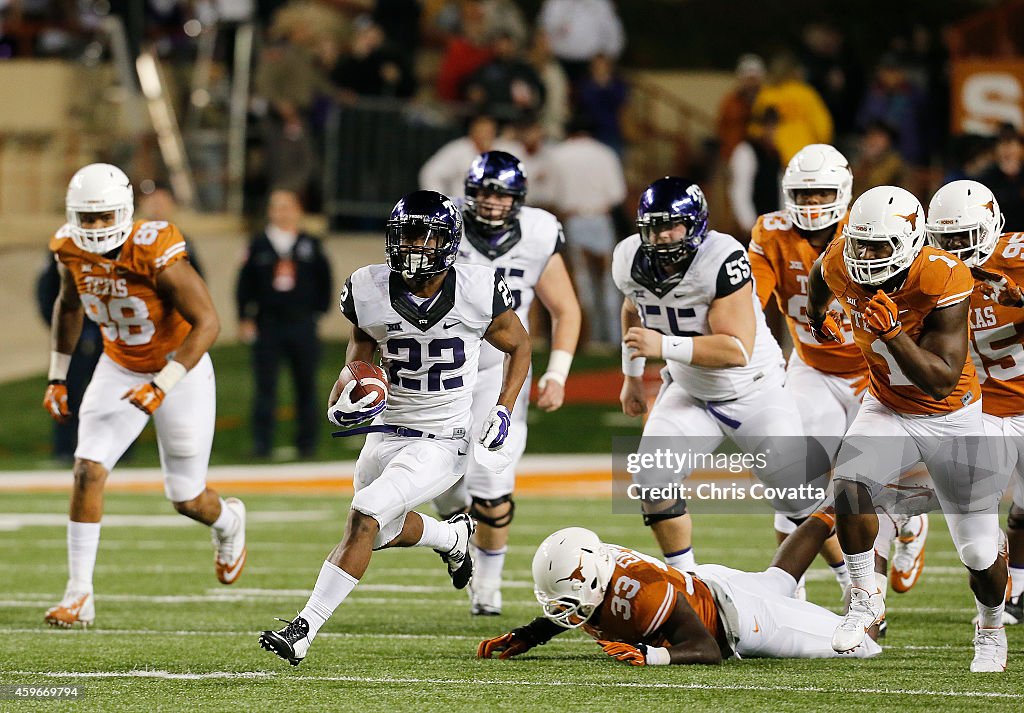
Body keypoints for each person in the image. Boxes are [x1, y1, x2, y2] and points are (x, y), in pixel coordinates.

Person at [258, 190, 532, 666]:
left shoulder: (477, 288)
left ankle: (303, 629)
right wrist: (347, 397)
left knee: (365, 515)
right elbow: (360, 352)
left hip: (443, 439)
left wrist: (504, 408)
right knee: (377, 531)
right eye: (407, 235)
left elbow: (520, 347)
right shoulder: (367, 288)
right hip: (385, 432)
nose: (415, 247)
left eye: (427, 238)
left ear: (447, 243)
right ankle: (450, 537)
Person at [806, 185, 1009, 672]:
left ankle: (990, 628)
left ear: (914, 240)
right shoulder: (841, 258)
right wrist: (817, 315)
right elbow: (821, 273)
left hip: (952, 418)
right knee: (849, 486)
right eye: (861, 244)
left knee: (979, 551)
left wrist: (893, 332)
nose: (867, 256)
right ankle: (864, 597)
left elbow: (940, 380)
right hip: (887, 405)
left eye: (880, 246)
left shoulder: (942, 275)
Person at [41, 163, 246, 628]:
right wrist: (58, 376)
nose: (92, 227)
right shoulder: (68, 248)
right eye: (85, 217)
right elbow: (69, 305)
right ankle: (79, 594)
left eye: (102, 216)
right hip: (119, 366)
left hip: (181, 369)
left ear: (124, 211)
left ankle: (228, 522)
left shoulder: (154, 249)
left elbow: (209, 322)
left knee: (187, 497)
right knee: (87, 470)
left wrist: (163, 385)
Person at [749, 144, 928, 599]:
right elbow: (748, 302)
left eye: (821, 193)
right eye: (802, 195)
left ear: (844, 191)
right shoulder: (771, 232)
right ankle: (790, 595)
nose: (811, 204)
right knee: (795, 475)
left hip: (876, 370)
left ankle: (909, 524)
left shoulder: (868, 227)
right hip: (814, 370)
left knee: (877, 481)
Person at [613, 178, 819, 575]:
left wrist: (663, 347)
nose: (663, 235)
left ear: (695, 225)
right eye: (654, 226)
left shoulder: (721, 257)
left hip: (754, 391)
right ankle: (688, 583)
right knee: (652, 477)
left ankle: (853, 586)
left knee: (799, 500)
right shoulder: (629, 258)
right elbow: (631, 308)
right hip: (690, 390)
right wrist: (632, 376)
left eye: (673, 225)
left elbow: (735, 349)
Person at [432, 152, 581, 615]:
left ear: (518, 199)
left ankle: (487, 587)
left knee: (489, 478)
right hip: (442, 368)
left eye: (502, 194)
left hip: (501, 368)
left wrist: (556, 373)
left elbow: (566, 310)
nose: (493, 202)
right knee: (445, 488)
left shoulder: (538, 232)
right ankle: (457, 537)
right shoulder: (444, 225)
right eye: (485, 192)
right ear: (469, 193)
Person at [478, 514, 882, 665]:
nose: (566, 611)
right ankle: (835, 508)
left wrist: (649, 654)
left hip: (741, 620)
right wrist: (531, 634)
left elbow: (706, 648)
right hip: (708, 585)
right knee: (777, 579)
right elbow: (580, 603)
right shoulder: (595, 571)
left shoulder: (642, 593)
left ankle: (873, 575)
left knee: (857, 643)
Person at [925, 179, 1023, 626]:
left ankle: (1017, 585)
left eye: (965, 238)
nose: (957, 249)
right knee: (976, 534)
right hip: (977, 411)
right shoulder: (928, 272)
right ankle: (994, 605)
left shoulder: (1019, 256)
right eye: (946, 240)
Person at [236, 190, 333, 459]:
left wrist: (317, 313)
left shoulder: (310, 244)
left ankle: (307, 443)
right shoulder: (258, 244)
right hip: (268, 324)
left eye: (287, 207)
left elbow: (325, 280)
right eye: (277, 207)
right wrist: (244, 317)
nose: (283, 212)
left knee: (306, 385)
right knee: (265, 386)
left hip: (302, 324)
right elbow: (244, 284)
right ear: (270, 211)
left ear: (298, 211)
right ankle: (262, 443)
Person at [548, 116, 627, 345]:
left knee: (582, 282)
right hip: (601, 218)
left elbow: (552, 195)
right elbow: (617, 194)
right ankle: (614, 337)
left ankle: (589, 338)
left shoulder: (558, 154)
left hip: (573, 219)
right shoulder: (605, 153)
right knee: (609, 280)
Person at [419, 114, 525, 201]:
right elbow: (430, 174)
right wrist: (439, 201)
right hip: (462, 209)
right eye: (481, 131)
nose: (485, 135)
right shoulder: (457, 149)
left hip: (497, 209)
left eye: (489, 131)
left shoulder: (505, 150)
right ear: (472, 132)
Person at [752, 52, 833, 165]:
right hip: (804, 157)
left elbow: (755, 128)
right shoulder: (806, 94)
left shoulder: (766, 95)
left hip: (774, 157)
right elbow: (823, 129)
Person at [538, 0, 624, 84]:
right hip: (556, 62)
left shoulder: (602, 4)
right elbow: (542, 30)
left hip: (589, 66)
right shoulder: (554, 3)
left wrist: (606, 62)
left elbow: (614, 36)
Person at [727, 106, 782, 236]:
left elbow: (780, 190)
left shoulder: (775, 153)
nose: (771, 130)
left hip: (772, 227)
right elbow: (739, 190)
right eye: (766, 125)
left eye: (774, 125)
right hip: (753, 227)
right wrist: (748, 223)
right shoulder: (745, 151)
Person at [716, 54, 766, 162]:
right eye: (748, 79)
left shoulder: (768, 99)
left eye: (754, 79)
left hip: (763, 155)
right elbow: (722, 129)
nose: (751, 83)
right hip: (735, 153)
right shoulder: (730, 102)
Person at [978, 123, 1024, 230]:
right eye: (1002, 143)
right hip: (997, 238)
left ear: (1021, 148)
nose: (1007, 150)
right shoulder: (986, 178)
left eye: (1011, 143)